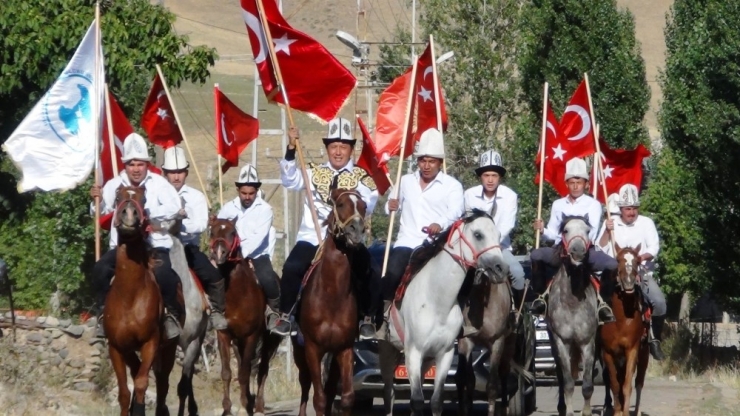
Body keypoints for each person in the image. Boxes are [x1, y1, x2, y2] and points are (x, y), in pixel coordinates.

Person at [270, 118, 380, 339]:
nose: (338, 152)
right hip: (313, 236)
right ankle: (286, 315)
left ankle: (367, 319)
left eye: (343, 147)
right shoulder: (313, 172)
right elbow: (290, 180)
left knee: (371, 270)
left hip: (349, 240)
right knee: (292, 267)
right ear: (327, 148)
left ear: (352, 149)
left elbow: (369, 204)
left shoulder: (362, 178)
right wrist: (291, 149)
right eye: (333, 146)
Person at [90, 133, 183, 340]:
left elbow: (175, 207)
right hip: (122, 248)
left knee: (166, 275)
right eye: (131, 164)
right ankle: (102, 313)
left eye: (140, 164)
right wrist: (95, 200)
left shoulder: (159, 183)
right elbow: (97, 210)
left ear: (146, 164)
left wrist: (146, 211)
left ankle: (171, 315)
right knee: (100, 270)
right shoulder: (114, 184)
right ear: (125, 165)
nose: (136, 169)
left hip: (154, 245)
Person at [381, 128, 465, 334]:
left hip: (435, 245)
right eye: (422, 161)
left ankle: (463, 319)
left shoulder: (451, 186)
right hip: (407, 241)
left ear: (440, 162)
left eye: (432, 161)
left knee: (462, 276)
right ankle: (380, 316)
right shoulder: (405, 181)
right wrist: (389, 206)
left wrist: (441, 224)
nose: (426, 166)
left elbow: (456, 212)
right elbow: (390, 206)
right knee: (391, 273)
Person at [530, 157, 617, 323]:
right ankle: (540, 297)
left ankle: (604, 303)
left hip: (586, 251)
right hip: (560, 251)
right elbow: (554, 234)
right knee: (536, 255)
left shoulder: (593, 204)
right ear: (566, 184)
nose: (576, 185)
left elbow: (591, 234)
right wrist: (542, 230)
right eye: (572, 182)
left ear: (586, 184)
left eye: (579, 181)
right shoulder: (558, 204)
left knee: (611, 265)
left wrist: (578, 245)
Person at [596, 184, 667, 360]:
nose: (631, 212)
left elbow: (654, 247)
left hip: (640, 270)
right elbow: (599, 247)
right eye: (628, 209)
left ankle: (654, 339)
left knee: (659, 302)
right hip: (615, 272)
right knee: (596, 300)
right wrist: (606, 230)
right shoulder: (611, 224)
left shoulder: (646, 223)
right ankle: (594, 337)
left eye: (634, 208)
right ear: (621, 209)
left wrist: (639, 258)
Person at [161, 146, 227, 331]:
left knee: (213, 275)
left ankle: (216, 311)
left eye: (180, 172)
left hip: (187, 248)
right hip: (163, 247)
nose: (176, 177)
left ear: (186, 173)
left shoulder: (196, 197)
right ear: (164, 173)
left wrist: (180, 225)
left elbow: (200, 225)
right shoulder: (157, 195)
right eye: (172, 172)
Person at [463, 150, 526, 328]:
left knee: (518, 274)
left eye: (494, 175)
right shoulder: (469, 195)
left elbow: (507, 226)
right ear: (480, 177)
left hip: (500, 247)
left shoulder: (510, 196)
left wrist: (490, 245)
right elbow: (467, 224)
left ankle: (517, 315)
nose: (490, 179)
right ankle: (455, 314)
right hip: (473, 250)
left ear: (500, 177)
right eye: (486, 175)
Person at [217, 164, 281, 329]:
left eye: (251, 193)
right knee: (213, 277)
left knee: (268, 279)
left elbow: (257, 238)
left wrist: (241, 255)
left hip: (257, 255)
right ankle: (213, 311)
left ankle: (274, 312)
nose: (247, 197)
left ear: (256, 191)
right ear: (238, 190)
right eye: (244, 193)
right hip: (230, 256)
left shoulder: (265, 210)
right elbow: (219, 232)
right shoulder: (227, 209)